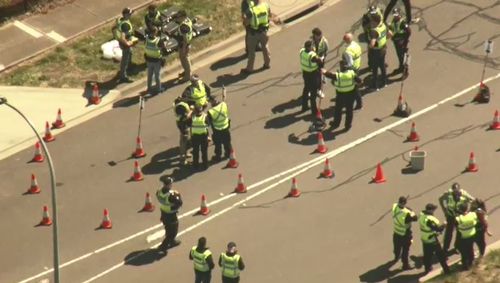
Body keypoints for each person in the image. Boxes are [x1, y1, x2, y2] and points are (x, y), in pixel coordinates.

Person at [323, 60, 362, 131]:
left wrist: (323, 71)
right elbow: (360, 81)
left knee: (338, 110)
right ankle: (348, 126)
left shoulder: (338, 75)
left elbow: (329, 75)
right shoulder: (351, 73)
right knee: (349, 111)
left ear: (341, 67)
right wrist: (353, 86)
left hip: (340, 95)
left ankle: (336, 123)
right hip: (350, 94)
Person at [241, 0, 278, 74]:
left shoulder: (251, 10)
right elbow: (270, 15)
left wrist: (244, 21)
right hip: (264, 31)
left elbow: (246, 22)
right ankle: (267, 64)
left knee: (251, 52)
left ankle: (250, 69)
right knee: (265, 47)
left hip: (253, 33)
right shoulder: (266, 6)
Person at [438, 182, 475, 254]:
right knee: (449, 233)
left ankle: (457, 247)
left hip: (459, 216)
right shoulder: (448, 194)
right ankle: (445, 249)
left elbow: (473, 200)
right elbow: (440, 199)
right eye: (454, 191)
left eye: (457, 191)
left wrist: (468, 211)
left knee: (459, 232)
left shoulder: (464, 194)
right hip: (451, 216)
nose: (456, 193)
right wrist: (444, 210)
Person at [419, 203, 450, 275]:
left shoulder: (422, 215)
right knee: (441, 256)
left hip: (424, 239)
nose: (434, 211)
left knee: (427, 256)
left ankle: (427, 269)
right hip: (432, 240)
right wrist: (444, 225)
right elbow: (438, 229)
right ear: (430, 210)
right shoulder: (430, 220)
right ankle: (446, 270)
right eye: (433, 209)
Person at [156, 175, 183, 253]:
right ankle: (163, 246)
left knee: (168, 228)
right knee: (173, 231)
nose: (172, 185)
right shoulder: (171, 195)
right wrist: (177, 195)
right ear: (168, 185)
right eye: (171, 183)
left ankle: (172, 241)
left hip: (163, 213)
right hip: (171, 215)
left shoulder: (159, 192)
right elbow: (179, 203)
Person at [391, 196, 417, 270]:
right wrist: (411, 211)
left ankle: (396, 256)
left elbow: (397, 206)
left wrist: (406, 208)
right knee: (405, 250)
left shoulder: (394, 206)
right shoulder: (407, 213)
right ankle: (405, 265)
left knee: (396, 247)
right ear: (404, 203)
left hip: (396, 232)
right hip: (405, 234)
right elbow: (415, 218)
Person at [208, 87, 232, 162]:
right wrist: (224, 90)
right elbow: (224, 98)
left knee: (217, 144)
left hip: (217, 129)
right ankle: (228, 154)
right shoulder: (223, 105)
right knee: (227, 142)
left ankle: (218, 156)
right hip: (226, 127)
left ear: (211, 102)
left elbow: (208, 122)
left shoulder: (211, 111)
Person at [299, 40, 323, 116]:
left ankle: (304, 106)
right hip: (313, 74)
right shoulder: (312, 55)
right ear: (309, 47)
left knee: (306, 89)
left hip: (305, 73)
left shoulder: (302, 51)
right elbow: (320, 63)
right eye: (312, 46)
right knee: (313, 94)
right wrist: (320, 59)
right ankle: (314, 110)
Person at [114, 8, 138, 83]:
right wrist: (128, 43)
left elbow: (114, 28)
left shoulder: (120, 20)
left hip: (123, 42)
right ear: (125, 15)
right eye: (129, 14)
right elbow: (123, 37)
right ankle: (123, 76)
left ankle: (129, 66)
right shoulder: (125, 25)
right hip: (125, 43)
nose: (131, 15)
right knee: (125, 59)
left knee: (130, 53)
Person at [368, 13, 389, 90]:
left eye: (371, 21)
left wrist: (369, 47)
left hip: (376, 51)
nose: (370, 22)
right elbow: (390, 34)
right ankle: (384, 82)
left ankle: (375, 85)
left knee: (375, 68)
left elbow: (372, 43)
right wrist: (383, 41)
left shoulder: (374, 31)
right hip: (383, 49)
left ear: (375, 22)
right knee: (382, 66)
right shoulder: (383, 26)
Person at [342, 33, 363, 109]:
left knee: (354, 88)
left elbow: (350, 63)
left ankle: (358, 103)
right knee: (354, 87)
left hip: (352, 69)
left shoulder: (348, 51)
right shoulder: (355, 44)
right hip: (357, 66)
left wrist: (345, 68)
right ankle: (358, 103)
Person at [455, 203, 478, 270]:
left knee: (463, 251)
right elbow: (475, 220)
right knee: (470, 248)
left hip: (464, 236)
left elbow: (456, 227)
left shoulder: (458, 218)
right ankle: (471, 261)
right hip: (472, 234)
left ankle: (465, 265)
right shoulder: (472, 214)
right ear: (467, 208)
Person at [388, 8, 411, 75]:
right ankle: (401, 68)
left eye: (396, 15)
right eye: (394, 15)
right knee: (400, 56)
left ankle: (406, 71)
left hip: (402, 42)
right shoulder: (393, 21)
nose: (395, 16)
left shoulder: (403, 22)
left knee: (405, 56)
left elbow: (409, 32)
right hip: (396, 42)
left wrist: (405, 41)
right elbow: (393, 29)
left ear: (400, 14)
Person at [144, 26, 165, 94]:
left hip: (148, 59)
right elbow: (163, 49)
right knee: (157, 75)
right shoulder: (158, 40)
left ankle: (149, 88)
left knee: (149, 74)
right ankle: (158, 89)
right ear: (154, 32)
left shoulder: (146, 39)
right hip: (156, 60)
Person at [174, 10, 193, 83]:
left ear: (183, 17)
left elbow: (185, 39)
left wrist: (184, 48)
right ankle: (186, 71)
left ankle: (187, 75)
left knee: (184, 59)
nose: (177, 18)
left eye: (178, 17)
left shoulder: (183, 27)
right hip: (186, 44)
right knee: (184, 58)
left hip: (184, 45)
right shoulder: (187, 20)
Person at [189, 105, 210, 171]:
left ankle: (195, 165)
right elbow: (208, 124)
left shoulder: (193, 118)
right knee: (204, 151)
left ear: (195, 111)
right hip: (203, 136)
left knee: (195, 151)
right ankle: (205, 165)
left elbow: (189, 124)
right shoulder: (205, 117)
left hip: (195, 137)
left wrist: (191, 111)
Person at [174, 96, 192, 165]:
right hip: (183, 124)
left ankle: (185, 153)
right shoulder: (182, 107)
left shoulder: (176, 106)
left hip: (180, 123)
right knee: (184, 141)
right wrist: (191, 110)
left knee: (184, 139)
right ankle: (182, 159)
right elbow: (186, 116)